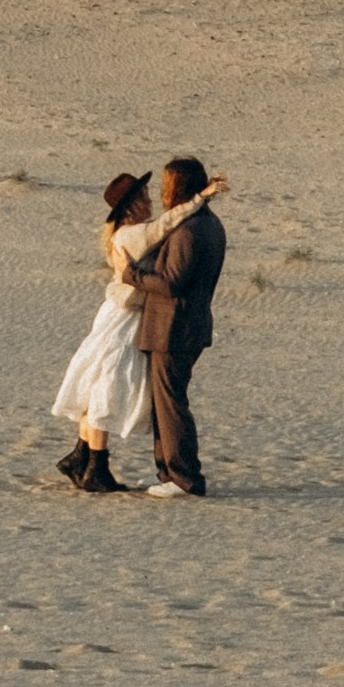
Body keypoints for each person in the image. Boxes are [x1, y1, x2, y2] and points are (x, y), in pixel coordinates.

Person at [53, 168, 227, 493]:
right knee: (105, 381)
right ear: (130, 207)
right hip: (123, 317)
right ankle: (94, 463)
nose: (153, 199)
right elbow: (166, 225)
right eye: (144, 196)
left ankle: (86, 459)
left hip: (130, 316)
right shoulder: (131, 234)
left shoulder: (136, 231)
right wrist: (200, 197)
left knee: (99, 379)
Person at [136, 154, 228, 498]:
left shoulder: (191, 229)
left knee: (171, 403)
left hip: (175, 329)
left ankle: (182, 477)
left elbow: (171, 282)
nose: (162, 192)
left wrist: (134, 275)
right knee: (167, 402)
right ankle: (171, 474)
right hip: (183, 327)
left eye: (166, 185)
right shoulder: (205, 223)